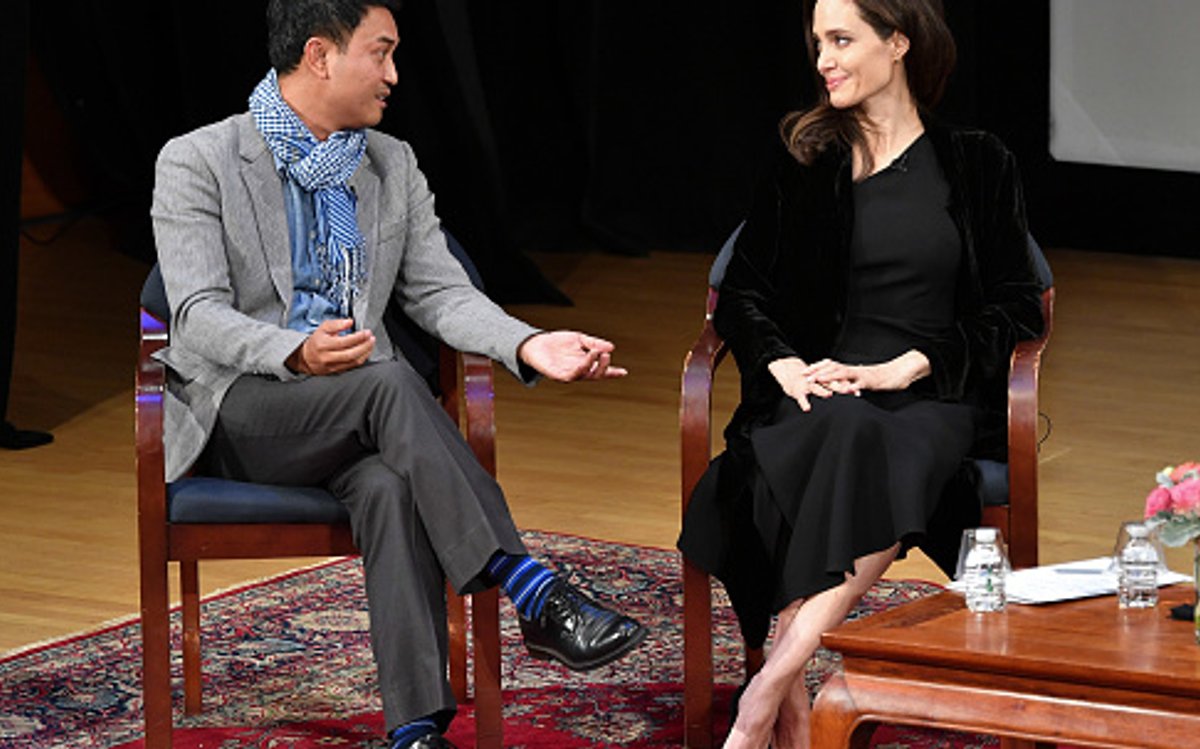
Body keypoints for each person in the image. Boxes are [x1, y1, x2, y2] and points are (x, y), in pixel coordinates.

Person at [150, 1, 646, 746]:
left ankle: (415, 729)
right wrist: (294, 352)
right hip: (247, 410)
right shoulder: (198, 160)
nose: (393, 75)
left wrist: (529, 344)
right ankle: (533, 589)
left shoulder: (391, 164)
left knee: (387, 483)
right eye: (379, 53)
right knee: (387, 383)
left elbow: (440, 292)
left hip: (359, 417)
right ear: (320, 56)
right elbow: (193, 313)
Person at [677, 0, 1045, 746]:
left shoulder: (977, 161)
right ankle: (792, 705)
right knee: (832, 425)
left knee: (864, 438)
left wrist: (909, 366)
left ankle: (769, 688)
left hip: (928, 393)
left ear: (899, 43)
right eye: (818, 43)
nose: (824, 61)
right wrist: (780, 362)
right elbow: (744, 291)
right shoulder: (805, 159)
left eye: (842, 40)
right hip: (816, 383)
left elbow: (1016, 307)